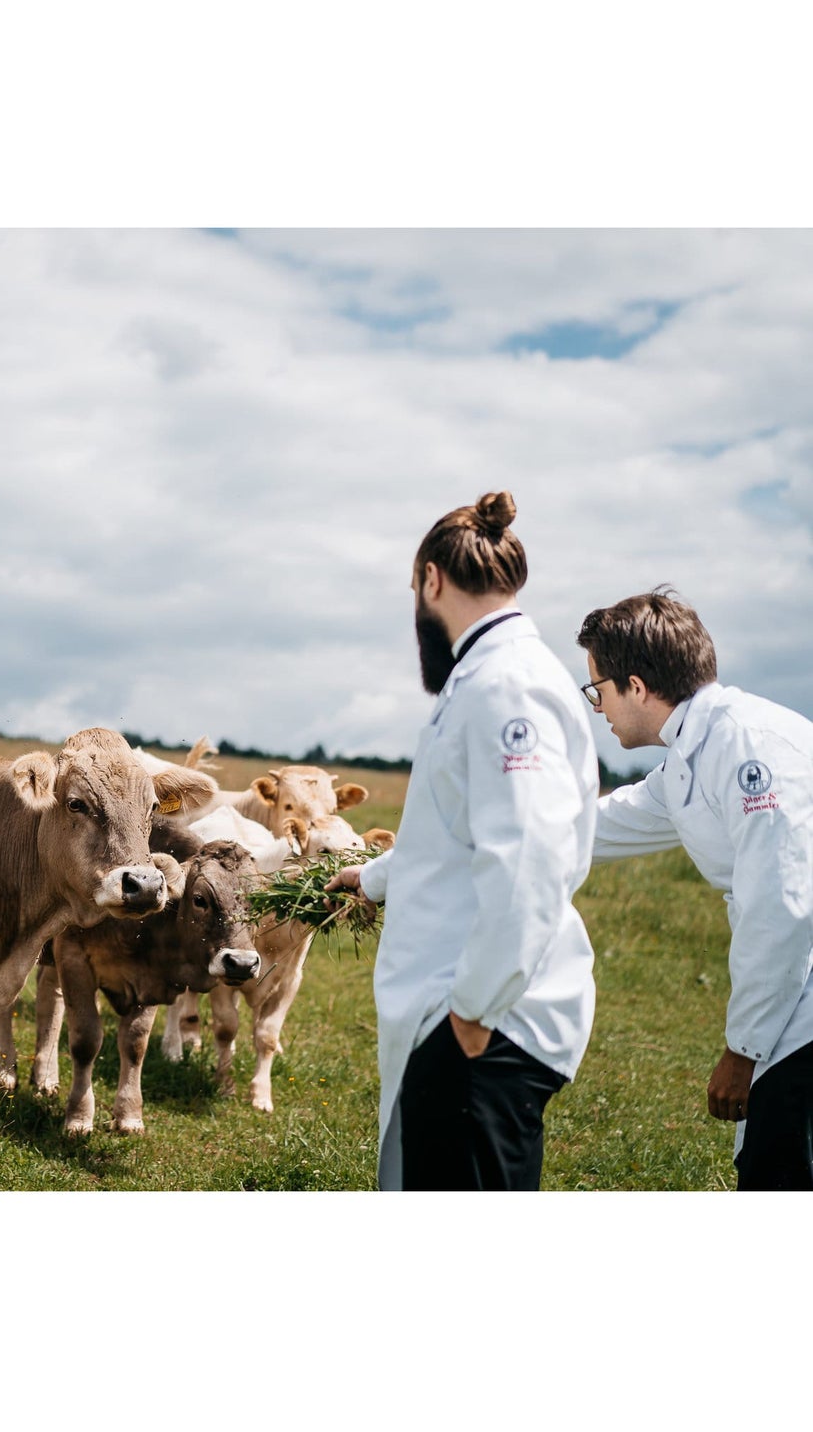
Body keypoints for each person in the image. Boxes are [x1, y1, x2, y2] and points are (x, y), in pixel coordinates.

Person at [329, 491, 599, 1190]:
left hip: (482, 1026)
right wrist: (373, 878)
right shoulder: (486, 677)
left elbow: (530, 856)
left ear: (430, 580)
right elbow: (458, 831)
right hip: (465, 1015)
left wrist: (473, 1011)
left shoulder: (507, 685)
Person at [578, 589, 813, 1190]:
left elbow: (782, 906)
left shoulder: (747, 748)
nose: (597, 709)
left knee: (781, 1170)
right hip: (790, 997)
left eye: (596, 690)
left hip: (803, 1004)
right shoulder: (691, 754)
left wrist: (742, 1050)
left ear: (635, 685)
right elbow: (594, 827)